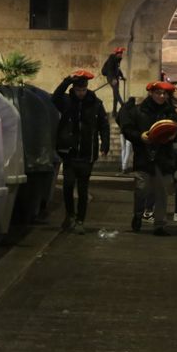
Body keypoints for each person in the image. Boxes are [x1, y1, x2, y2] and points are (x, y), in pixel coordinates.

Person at [119, 81, 177, 236]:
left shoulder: (170, 112)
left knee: (162, 191)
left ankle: (160, 224)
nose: (161, 96)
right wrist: (139, 136)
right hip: (144, 156)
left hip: (163, 157)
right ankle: (138, 214)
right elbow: (127, 129)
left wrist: (174, 136)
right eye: (158, 93)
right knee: (141, 189)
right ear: (151, 93)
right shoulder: (139, 110)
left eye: (164, 94)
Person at [52, 71, 110, 235]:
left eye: (83, 90)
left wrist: (104, 143)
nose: (81, 93)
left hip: (87, 152)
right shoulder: (66, 101)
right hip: (69, 152)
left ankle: (80, 220)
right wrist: (67, 80)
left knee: (83, 189)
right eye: (78, 90)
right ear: (74, 89)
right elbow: (54, 98)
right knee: (68, 185)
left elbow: (103, 125)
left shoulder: (95, 103)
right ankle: (70, 214)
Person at [101, 47, 126, 117]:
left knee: (115, 95)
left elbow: (118, 69)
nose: (121, 55)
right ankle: (123, 105)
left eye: (121, 53)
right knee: (116, 93)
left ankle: (114, 112)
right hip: (111, 77)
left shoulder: (117, 60)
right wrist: (113, 79)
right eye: (120, 53)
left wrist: (122, 76)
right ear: (116, 54)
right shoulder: (112, 58)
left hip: (115, 78)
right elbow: (110, 70)